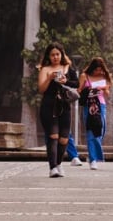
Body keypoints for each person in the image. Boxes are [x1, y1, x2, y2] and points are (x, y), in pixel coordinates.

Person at [37, 42, 79, 178]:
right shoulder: (45, 69)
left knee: (64, 139)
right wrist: (49, 78)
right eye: (52, 55)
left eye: (57, 54)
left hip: (64, 106)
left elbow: (77, 84)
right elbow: (41, 89)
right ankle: (52, 167)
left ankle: (59, 163)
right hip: (49, 106)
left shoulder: (68, 68)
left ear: (61, 55)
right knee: (53, 136)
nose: (55, 57)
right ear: (48, 56)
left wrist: (65, 81)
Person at [79, 56, 113, 170]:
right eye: (96, 70)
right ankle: (93, 159)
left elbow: (107, 94)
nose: (97, 72)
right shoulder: (84, 76)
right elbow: (79, 90)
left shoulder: (104, 77)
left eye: (100, 70)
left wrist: (103, 89)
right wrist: (88, 90)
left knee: (100, 130)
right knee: (91, 131)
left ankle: (92, 155)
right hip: (89, 105)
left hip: (101, 105)